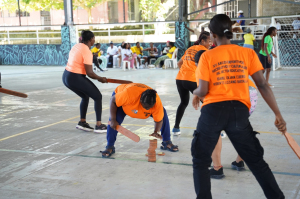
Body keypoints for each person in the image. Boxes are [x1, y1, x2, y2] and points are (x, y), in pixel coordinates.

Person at [192, 14, 286, 199]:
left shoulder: (207, 56)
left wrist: (195, 94)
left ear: (212, 35)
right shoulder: (247, 52)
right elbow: (262, 85)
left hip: (213, 111)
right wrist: (278, 114)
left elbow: (202, 90)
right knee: (256, 161)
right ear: (229, 31)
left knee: (201, 161)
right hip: (239, 112)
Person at [100, 83, 179, 157]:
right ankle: (109, 146)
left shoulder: (156, 103)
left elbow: (159, 120)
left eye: (150, 107)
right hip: (123, 103)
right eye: (146, 106)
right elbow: (112, 100)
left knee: (163, 113)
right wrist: (113, 119)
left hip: (135, 101)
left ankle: (166, 142)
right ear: (141, 101)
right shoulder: (129, 94)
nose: (147, 109)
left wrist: (156, 131)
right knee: (113, 122)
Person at [62, 30, 108, 134]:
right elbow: (90, 73)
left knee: (85, 96)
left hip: (66, 76)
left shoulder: (77, 46)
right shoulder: (87, 51)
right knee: (98, 97)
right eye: (93, 39)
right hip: (75, 77)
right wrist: (100, 79)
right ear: (91, 40)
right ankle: (99, 125)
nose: (94, 41)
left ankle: (82, 122)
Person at [172, 32, 211, 136]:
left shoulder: (190, 48)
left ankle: (176, 128)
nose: (211, 43)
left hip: (180, 79)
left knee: (183, 103)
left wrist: (185, 73)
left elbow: (179, 63)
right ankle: (215, 129)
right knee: (207, 104)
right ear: (203, 41)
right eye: (209, 41)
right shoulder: (205, 51)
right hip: (192, 79)